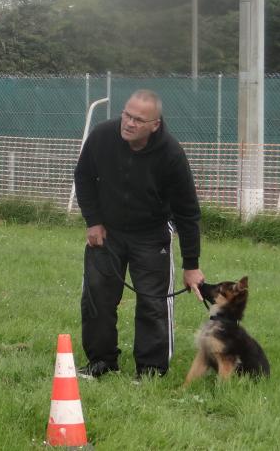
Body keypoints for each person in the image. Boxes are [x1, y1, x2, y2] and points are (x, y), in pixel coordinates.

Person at [73, 89, 205, 379]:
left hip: (151, 234)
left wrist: (191, 265)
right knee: (97, 296)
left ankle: (151, 371)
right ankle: (101, 363)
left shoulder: (171, 153)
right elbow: (82, 175)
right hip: (107, 231)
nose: (129, 123)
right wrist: (93, 221)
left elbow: (188, 211)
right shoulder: (102, 135)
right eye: (127, 115)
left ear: (154, 124)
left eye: (138, 119)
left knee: (153, 302)